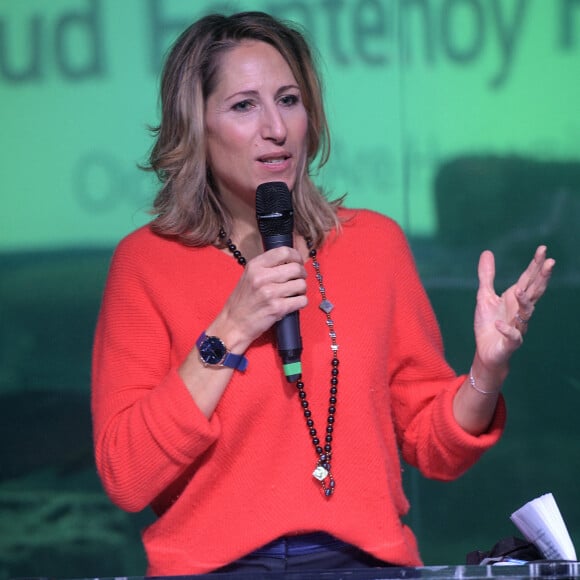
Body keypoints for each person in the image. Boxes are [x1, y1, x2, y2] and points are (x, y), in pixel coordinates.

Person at [91, 10, 555, 576]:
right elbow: (126, 475)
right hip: (216, 570)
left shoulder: (373, 244)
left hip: (363, 562)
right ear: (196, 126)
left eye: (289, 100)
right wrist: (230, 328)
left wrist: (487, 369)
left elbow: (435, 448)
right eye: (244, 106)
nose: (276, 128)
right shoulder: (147, 262)